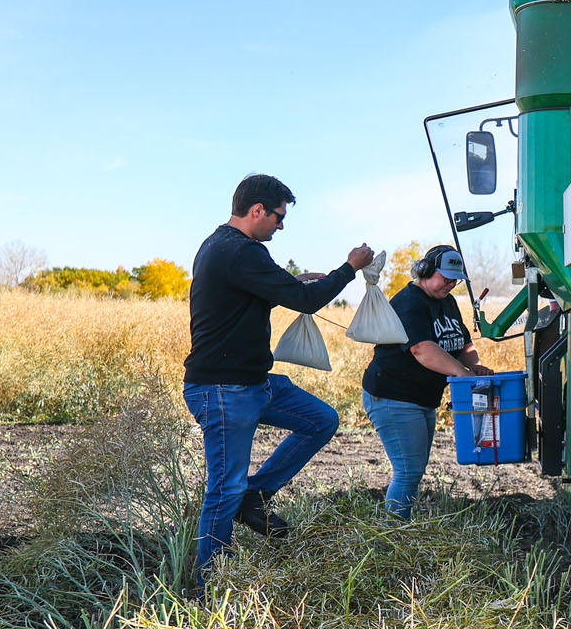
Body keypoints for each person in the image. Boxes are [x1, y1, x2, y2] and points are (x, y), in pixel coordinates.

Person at [182, 174, 374, 586]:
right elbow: (306, 301)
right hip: (223, 389)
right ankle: (208, 584)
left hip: (252, 383)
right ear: (257, 211)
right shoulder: (242, 252)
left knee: (320, 420)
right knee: (224, 487)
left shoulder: (221, 246)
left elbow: (258, 292)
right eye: (278, 217)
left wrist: (293, 281)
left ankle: (257, 494)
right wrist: (349, 268)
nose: (280, 226)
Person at [361, 244, 492, 518]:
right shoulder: (408, 302)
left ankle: (400, 525)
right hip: (393, 396)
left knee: (415, 468)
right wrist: (462, 374)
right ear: (426, 270)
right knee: (408, 470)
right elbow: (422, 349)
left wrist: (474, 366)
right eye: (445, 278)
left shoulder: (447, 301)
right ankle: (393, 534)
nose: (451, 284)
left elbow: (463, 342)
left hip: (422, 398)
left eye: (455, 279)